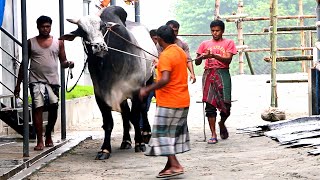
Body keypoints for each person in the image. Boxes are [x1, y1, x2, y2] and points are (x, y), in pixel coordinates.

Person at [14, 15, 74, 151]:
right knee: (38, 108)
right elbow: (24, 64)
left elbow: (63, 61)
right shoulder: (30, 42)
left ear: (50, 27)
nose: (45, 29)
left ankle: (48, 135)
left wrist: (69, 64)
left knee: (54, 108)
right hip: (35, 81)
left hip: (53, 82)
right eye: (43, 26)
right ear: (38, 27)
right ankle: (39, 140)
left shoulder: (58, 42)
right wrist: (18, 85)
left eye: (48, 26)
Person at [139, 25, 190, 178]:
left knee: (162, 135)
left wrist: (147, 90)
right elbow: (171, 69)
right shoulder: (179, 51)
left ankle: (175, 165)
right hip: (182, 100)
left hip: (170, 102)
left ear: (159, 39)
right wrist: (159, 64)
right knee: (171, 135)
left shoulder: (167, 55)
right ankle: (169, 165)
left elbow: (166, 79)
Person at [195, 20, 237, 144]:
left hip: (223, 73)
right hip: (208, 73)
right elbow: (197, 62)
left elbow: (228, 60)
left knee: (226, 105)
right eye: (213, 31)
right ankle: (213, 134)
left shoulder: (229, 43)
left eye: (217, 31)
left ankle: (222, 122)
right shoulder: (204, 44)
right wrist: (201, 57)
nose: (215, 33)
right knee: (209, 104)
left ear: (222, 31)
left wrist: (213, 56)